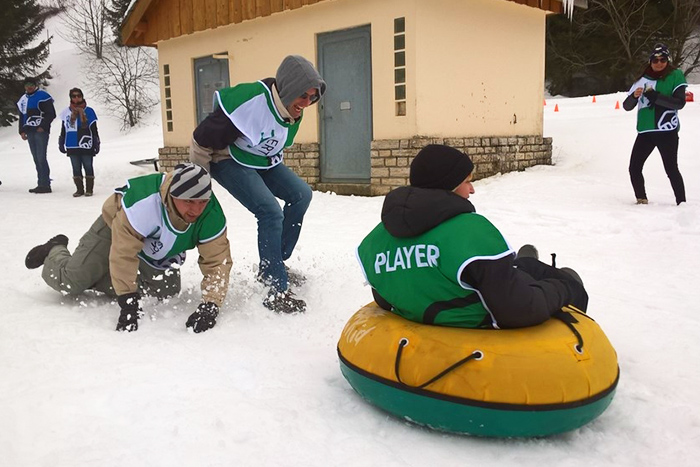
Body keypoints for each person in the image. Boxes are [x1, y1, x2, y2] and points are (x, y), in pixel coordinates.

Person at [356, 144, 588, 329]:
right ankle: (538, 267)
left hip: (449, 290)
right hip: (475, 316)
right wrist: (563, 289)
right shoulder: (470, 231)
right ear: (448, 186)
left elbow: (385, 299)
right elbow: (517, 309)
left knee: (513, 265)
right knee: (546, 274)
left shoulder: (376, 240)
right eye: (467, 181)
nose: (472, 189)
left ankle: (524, 260)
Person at [190, 55, 326, 314]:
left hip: (260, 159)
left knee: (301, 194)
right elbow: (200, 140)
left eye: (312, 97)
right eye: (303, 96)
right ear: (288, 89)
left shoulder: (291, 109)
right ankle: (274, 289)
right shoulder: (249, 103)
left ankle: (273, 264)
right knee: (270, 211)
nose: (306, 103)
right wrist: (199, 188)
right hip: (226, 158)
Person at [24, 163, 232, 333]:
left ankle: (99, 272)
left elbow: (217, 262)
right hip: (115, 225)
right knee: (71, 281)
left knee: (165, 292)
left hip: (157, 244)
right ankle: (54, 250)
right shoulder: (143, 205)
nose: (196, 209)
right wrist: (128, 301)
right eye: (189, 201)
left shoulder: (210, 215)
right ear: (173, 195)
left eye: (202, 202)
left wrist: (210, 305)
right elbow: (124, 252)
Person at [623, 43, 687, 206]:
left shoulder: (675, 75)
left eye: (663, 60)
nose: (659, 63)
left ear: (668, 60)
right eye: (655, 60)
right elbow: (626, 106)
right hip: (645, 132)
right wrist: (634, 97)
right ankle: (641, 199)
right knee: (634, 167)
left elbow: (679, 103)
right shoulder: (642, 79)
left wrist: (655, 96)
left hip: (666, 130)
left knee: (671, 169)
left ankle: (682, 203)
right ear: (650, 61)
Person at [58, 88, 100, 197]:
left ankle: (89, 189)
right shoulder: (66, 112)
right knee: (76, 167)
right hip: (72, 143)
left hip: (86, 142)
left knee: (88, 165)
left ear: (82, 97)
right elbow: (64, 128)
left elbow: (94, 128)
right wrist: (61, 141)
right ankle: (79, 189)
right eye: (74, 96)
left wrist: (96, 141)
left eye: (79, 96)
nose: (76, 98)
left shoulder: (89, 111)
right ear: (71, 98)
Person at [17, 76, 56, 193]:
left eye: (31, 85)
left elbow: (51, 114)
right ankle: (41, 183)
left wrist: (43, 126)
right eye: (27, 85)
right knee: (36, 158)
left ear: (35, 85)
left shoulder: (43, 96)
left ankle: (45, 184)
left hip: (40, 132)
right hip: (30, 131)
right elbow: (22, 116)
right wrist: (22, 131)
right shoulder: (23, 99)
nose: (29, 87)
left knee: (41, 157)